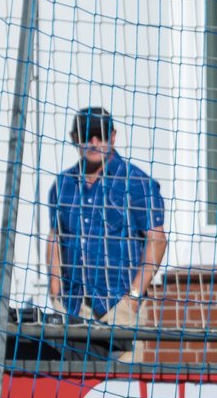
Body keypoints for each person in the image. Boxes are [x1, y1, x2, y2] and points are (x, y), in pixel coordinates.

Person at [46, 107, 167, 361]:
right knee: (77, 392)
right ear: (73, 137)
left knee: (123, 392)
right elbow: (56, 236)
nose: (93, 142)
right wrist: (55, 291)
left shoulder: (137, 183)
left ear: (112, 137)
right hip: (75, 308)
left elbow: (157, 240)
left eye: (99, 134)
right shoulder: (62, 185)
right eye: (86, 134)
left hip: (119, 308)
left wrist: (133, 298)